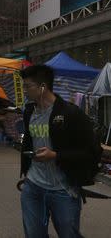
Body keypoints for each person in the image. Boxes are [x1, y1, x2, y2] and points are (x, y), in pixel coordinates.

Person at [20, 65, 98, 238]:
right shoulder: (29, 112)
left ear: (42, 87)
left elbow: (92, 152)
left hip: (63, 190)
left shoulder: (71, 113)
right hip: (33, 187)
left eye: (27, 86)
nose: (24, 91)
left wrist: (55, 155)